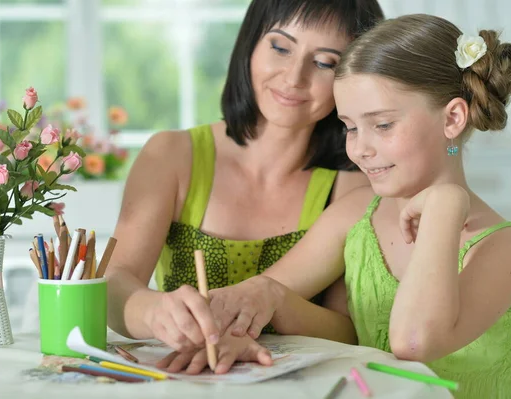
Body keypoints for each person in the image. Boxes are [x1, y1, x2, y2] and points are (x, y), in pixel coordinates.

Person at [164, 14, 511, 397]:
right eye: (350, 127)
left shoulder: (506, 249)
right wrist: (235, 334)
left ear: (452, 117)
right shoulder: (357, 213)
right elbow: (263, 292)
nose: (360, 149)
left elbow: (414, 343)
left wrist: (446, 206)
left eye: (382, 125)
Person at [105, 0, 384, 365]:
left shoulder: (353, 189)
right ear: (250, 42)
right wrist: (154, 312)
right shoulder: (171, 155)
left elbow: (347, 330)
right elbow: (113, 282)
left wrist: (273, 301)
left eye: (325, 63)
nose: (294, 77)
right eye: (280, 47)